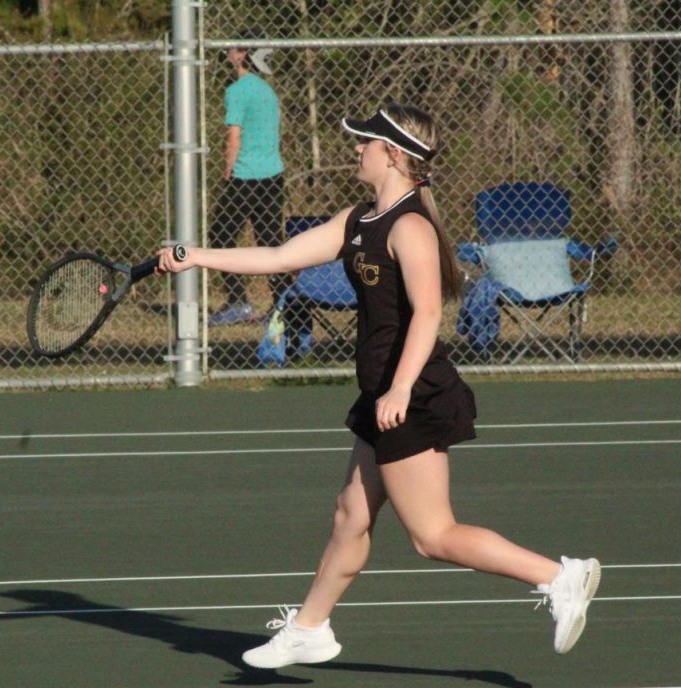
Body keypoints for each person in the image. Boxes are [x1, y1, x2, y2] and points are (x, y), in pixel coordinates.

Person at [156, 104, 601, 667]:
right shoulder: (357, 221)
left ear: (392, 153)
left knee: (432, 535)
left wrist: (397, 390)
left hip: (408, 395)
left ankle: (559, 576)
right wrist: (194, 256)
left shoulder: (411, 227)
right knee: (351, 515)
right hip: (383, 391)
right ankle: (310, 629)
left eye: (364, 141)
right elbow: (278, 256)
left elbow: (428, 313)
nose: (355, 149)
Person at [207, 34, 286, 325]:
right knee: (271, 243)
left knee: (220, 235)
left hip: (246, 176)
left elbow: (234, 135)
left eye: (235, 47)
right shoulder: (267, 91)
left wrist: (228, 167)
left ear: (244, 55)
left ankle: (239, 301)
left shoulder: (238, 90)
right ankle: (281, 305)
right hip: (273, 177)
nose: (229, 50)